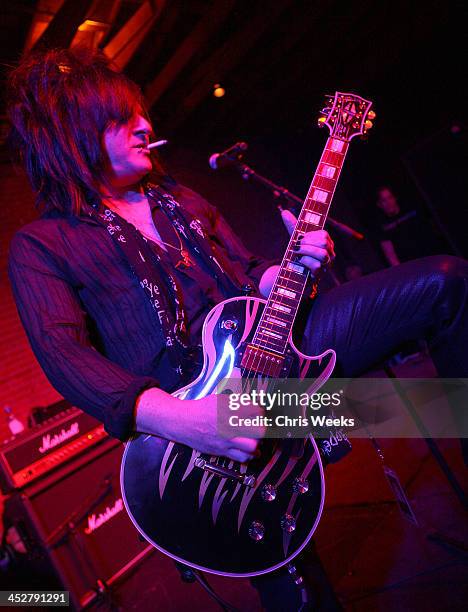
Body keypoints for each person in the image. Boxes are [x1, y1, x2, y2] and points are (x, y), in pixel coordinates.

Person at [6, 48, 468, 610]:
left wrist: (287, 269)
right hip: (194, 431)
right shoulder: (42, 245)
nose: (146, 126)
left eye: (141, 114)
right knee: (291, 581)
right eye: (120, 120)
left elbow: (250, 278)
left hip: (273, 363)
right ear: (72, 138)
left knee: (446, 282)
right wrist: (187, 421)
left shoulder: (184, 200)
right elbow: (61, 355)